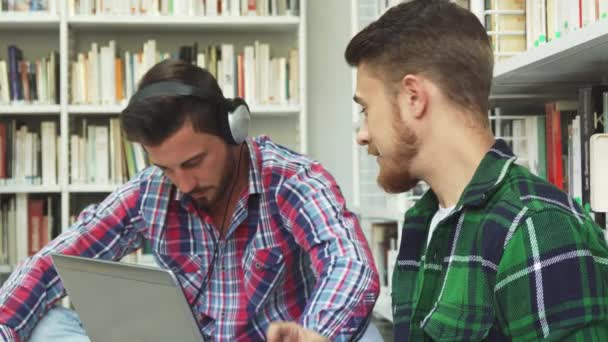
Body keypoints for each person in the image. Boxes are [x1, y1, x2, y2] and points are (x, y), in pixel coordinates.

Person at [269, 0, 608, 341]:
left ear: (413, 97)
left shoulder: (538, 228)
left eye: (366, 110)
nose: (362, 134)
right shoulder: (423, 221)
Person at [0, 59, 380, 341]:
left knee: (366, 334)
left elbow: (351, 265)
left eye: (193, 162)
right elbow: (49, 264)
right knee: (46, 326)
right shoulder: (149, 191)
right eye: (166, 168)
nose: (182, 184)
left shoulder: (292, 179)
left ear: (233, 131)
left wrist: (313, 334)